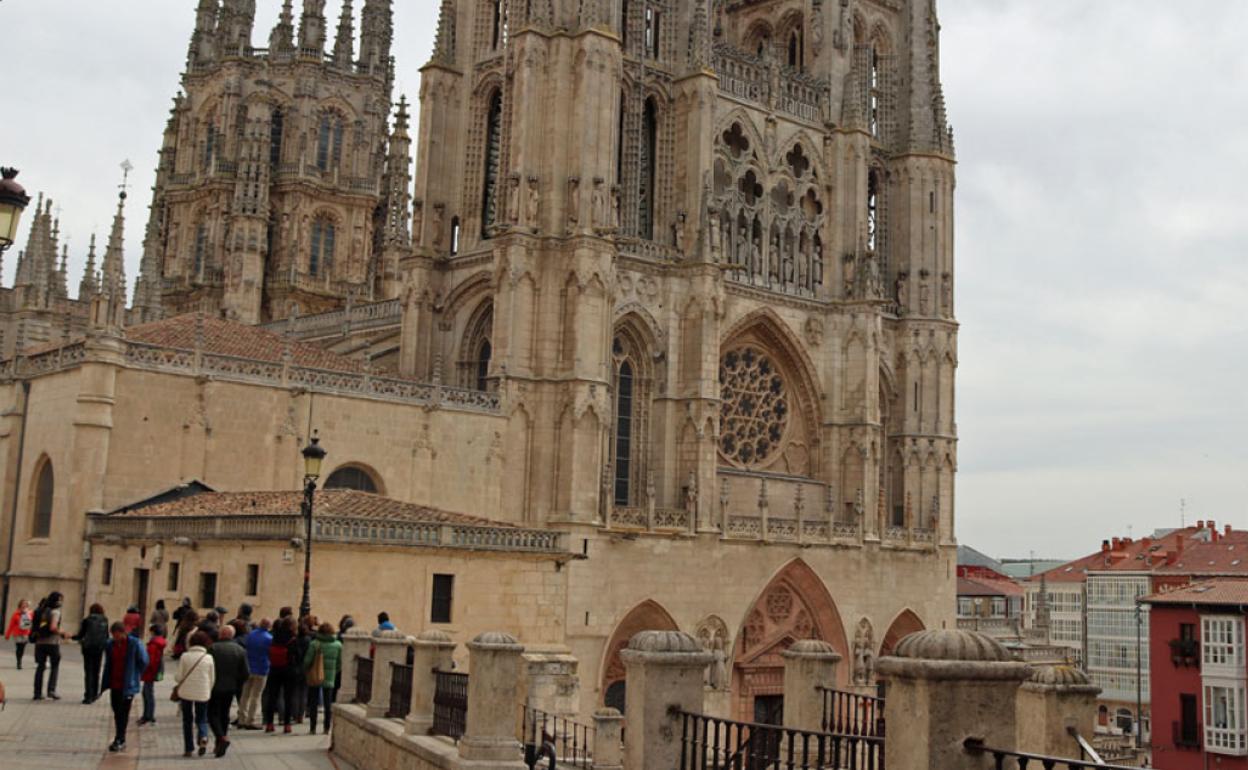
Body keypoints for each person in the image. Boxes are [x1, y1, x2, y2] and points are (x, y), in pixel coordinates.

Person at [101, 621, 148, 753]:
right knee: (116, 711)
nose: (115, 638)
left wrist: (135, 675)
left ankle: (120, 738)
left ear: (123, 633)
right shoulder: (110, 645)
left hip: (127, 684)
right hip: (114, 683)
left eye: (117, 635)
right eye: (113, 636)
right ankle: (119, 737)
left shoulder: (134, 643)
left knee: (124, 712)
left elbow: (144, 661)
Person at [207, 625, 249, 757]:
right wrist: (238, 684)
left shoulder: (213, 648)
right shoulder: (240, 650)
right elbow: (246, 673)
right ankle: (222, 738)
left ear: (220, 634)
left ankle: (220, 738)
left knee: (212, 714)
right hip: (230, 687)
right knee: (224, 714)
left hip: (214, 686)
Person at [175, 630, 215, 758]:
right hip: (203, 692)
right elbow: (212, 678)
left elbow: (179, 677)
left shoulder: (185, 656)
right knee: (201, 718)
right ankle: (203, 736)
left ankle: (188, 748)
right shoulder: (208, 657)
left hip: (186, 692)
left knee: (187, 720)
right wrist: (208, 689)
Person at [304, 622, 343, 735]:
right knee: (328, 703)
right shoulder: (338, 645)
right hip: (330, 677)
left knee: (313, 703)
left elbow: (307, 661)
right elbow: (340, 663)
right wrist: (334, 672)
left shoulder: (314, 644)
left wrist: (306, 670)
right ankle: (326, 727)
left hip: (314, 676)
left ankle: (313, 728)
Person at [262, 617, 297, 733]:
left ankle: (270, 724)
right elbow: (296, 655)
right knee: (288, 697)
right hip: (288, 669)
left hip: (274, 668)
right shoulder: (292, 638)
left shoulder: (275, 636)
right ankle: (287, 724)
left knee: (273, 696)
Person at [32, 591, 68, 700]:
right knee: (55, 666)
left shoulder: (41, 610)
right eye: (60, 599)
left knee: (40, 667)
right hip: (52, 643)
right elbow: (53, 627)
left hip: (39, 642)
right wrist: (63, 633)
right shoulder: (55, 612)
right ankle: (51, 690)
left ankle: (37, 693)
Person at [71, 603, 110, 704]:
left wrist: (72, 637)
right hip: (99, 648)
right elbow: (106, 635)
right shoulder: (105, 620)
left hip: (88, 648)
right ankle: (95, 694)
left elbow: (81, 635)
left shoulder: (87, 620)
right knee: (96, 671)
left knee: (88, 672)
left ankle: (88, 695)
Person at [240, 619, 272, 730]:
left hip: (249, 667)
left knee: (245, 694)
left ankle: (241, 718)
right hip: (262, 668)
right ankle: (251, 720)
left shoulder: (251, 635)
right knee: (256, 696)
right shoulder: (269, 638)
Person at [137, 623, 166, 725]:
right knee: (148, 693)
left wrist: (143, 669)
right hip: (153, 672)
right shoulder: (158, 643)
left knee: (147, 693)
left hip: (150, 672)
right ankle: (148, 714)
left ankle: (148, 715)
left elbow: (150, 660)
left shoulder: (153, 645)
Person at [4, 598, 33, 670]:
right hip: (17, 634)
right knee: (19, 648)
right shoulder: (16, 614)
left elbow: (32, 622)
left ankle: (20, 658)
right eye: (23, 604)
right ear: (20, 605)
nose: (24, 605)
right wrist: (7, 634)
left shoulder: (30, 613)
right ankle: (19, 662)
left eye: (26, 604)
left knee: (22, 648)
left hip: (26, 633)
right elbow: (11, 625)